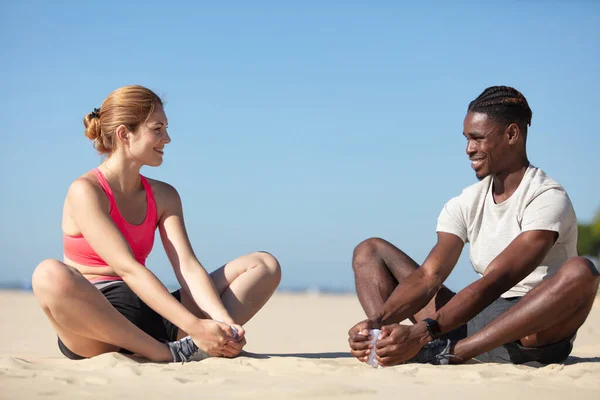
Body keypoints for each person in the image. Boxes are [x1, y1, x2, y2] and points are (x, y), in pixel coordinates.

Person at [348, 86, 600, 366]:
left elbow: (496, 280)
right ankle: (381, 343)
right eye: (467, 139)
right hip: (473, 318)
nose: (469, 149)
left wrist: (423, 332)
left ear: (512, 135)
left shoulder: (547, 198)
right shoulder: (467, 201)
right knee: (369, 251)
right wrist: (377, 320)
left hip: (530, 333)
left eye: (477, 138)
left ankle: (452, 352)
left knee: (582, 272)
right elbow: (429, 275)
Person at [32, 85, 281, 363]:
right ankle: (167, 353)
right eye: (158, 129)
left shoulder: (164, 195)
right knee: (49, 274)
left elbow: (186, 265)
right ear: (125, 134)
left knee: (264, 265)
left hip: (155, 314)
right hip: (99, 328)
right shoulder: (86, 190)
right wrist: (195, 326)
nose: (168, 138)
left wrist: (223, 322)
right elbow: (128, 269)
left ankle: (204, 344)